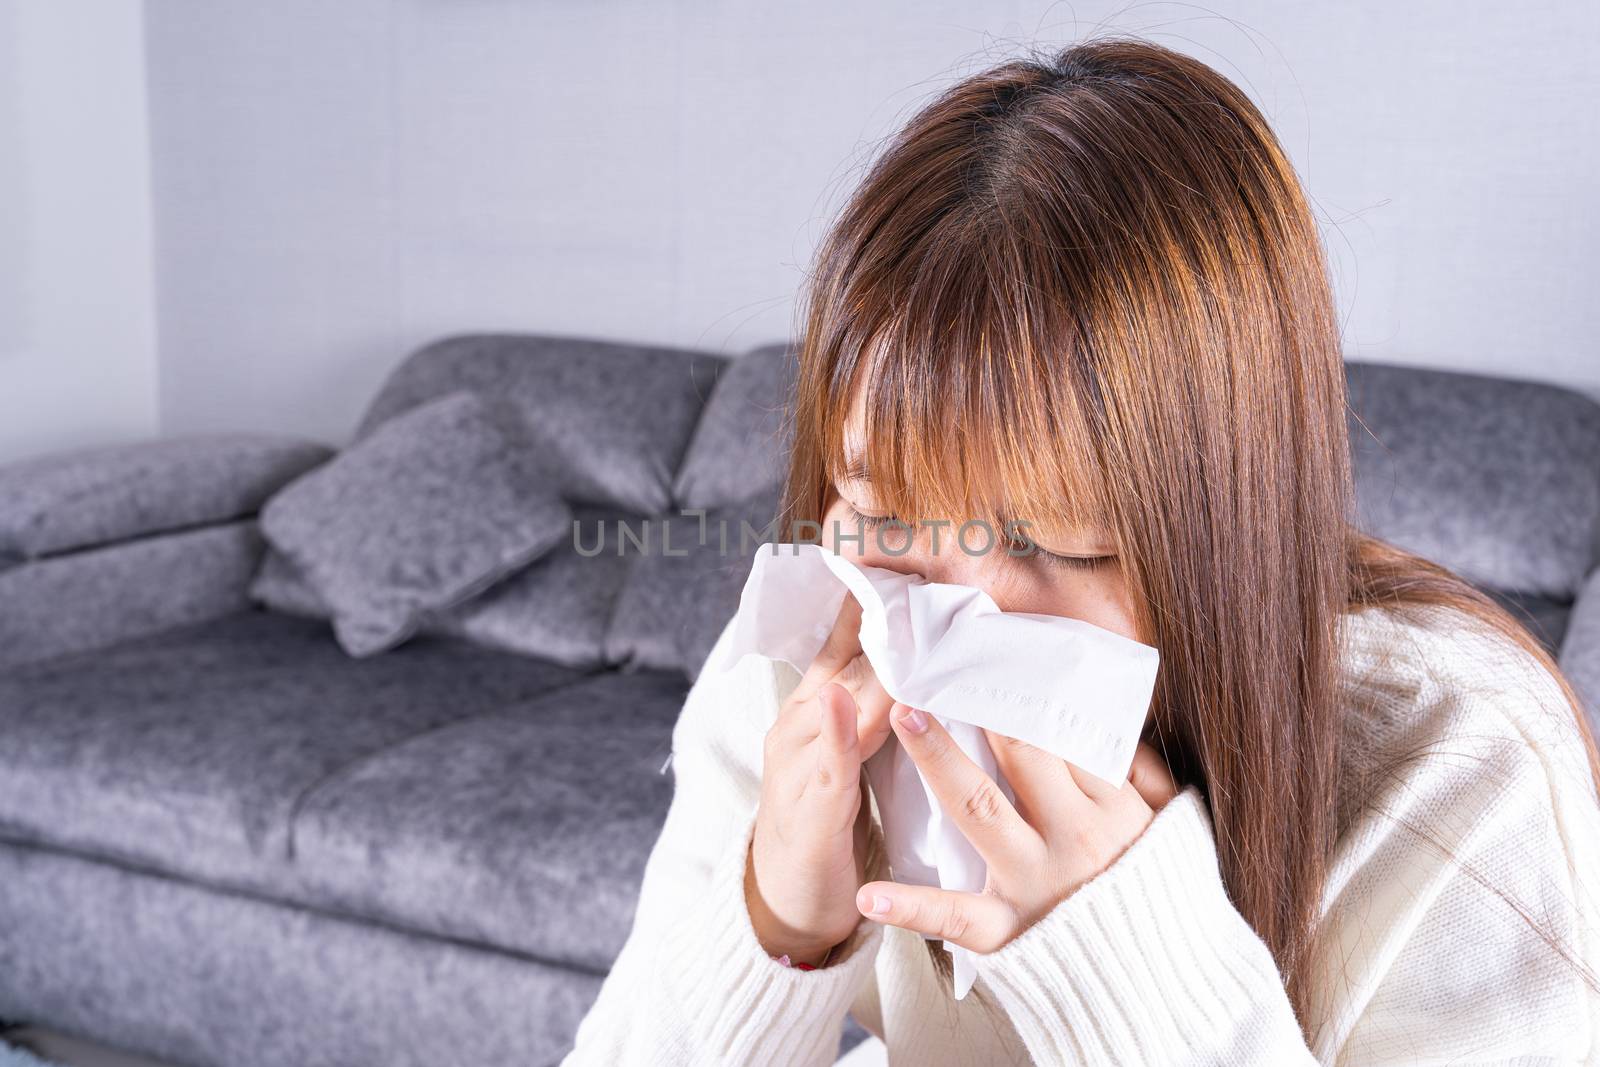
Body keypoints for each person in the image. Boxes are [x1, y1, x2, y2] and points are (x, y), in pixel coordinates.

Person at [561, 35, 1600, 1066]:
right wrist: (776, 923)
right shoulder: (811, 660)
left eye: (1051, 541)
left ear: (1219, 523)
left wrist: (1128, 970)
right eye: (883, 511)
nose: (950, 615)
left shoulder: (1455, 764)